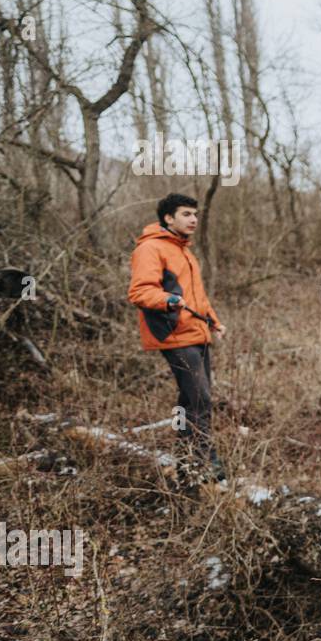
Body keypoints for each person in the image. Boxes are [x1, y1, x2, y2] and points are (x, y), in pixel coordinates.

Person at [128, 193, 228, 482]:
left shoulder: (185, 251)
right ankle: (204, 464)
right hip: (174, 334)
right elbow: (139, 292)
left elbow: (197, 298)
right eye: (186, 214)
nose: (194, 219)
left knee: (189, 400)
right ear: (168, 218)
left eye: (195, 214)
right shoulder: (151, 249)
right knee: (200, 399)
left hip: (197, 333)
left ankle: (185, 465)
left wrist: (215, 323)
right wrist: (169, 300)